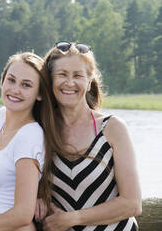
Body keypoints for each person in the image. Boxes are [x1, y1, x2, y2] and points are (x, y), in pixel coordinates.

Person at [35, 41, 142, 230]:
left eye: (78, 75)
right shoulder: (41, 130)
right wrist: (36, 198)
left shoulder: (112, 128)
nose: (70, 83)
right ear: (50, 80)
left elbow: (132, 203)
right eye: (62, 75)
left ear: (90, 79)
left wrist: (72, 218)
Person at [0, 52, 60, 231]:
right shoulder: (0, 116)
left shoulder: (29, 136)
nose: (15, 89)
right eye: (11, 80)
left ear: (39, 94)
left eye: (26, 85)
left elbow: (23, 214)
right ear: (2, 81)